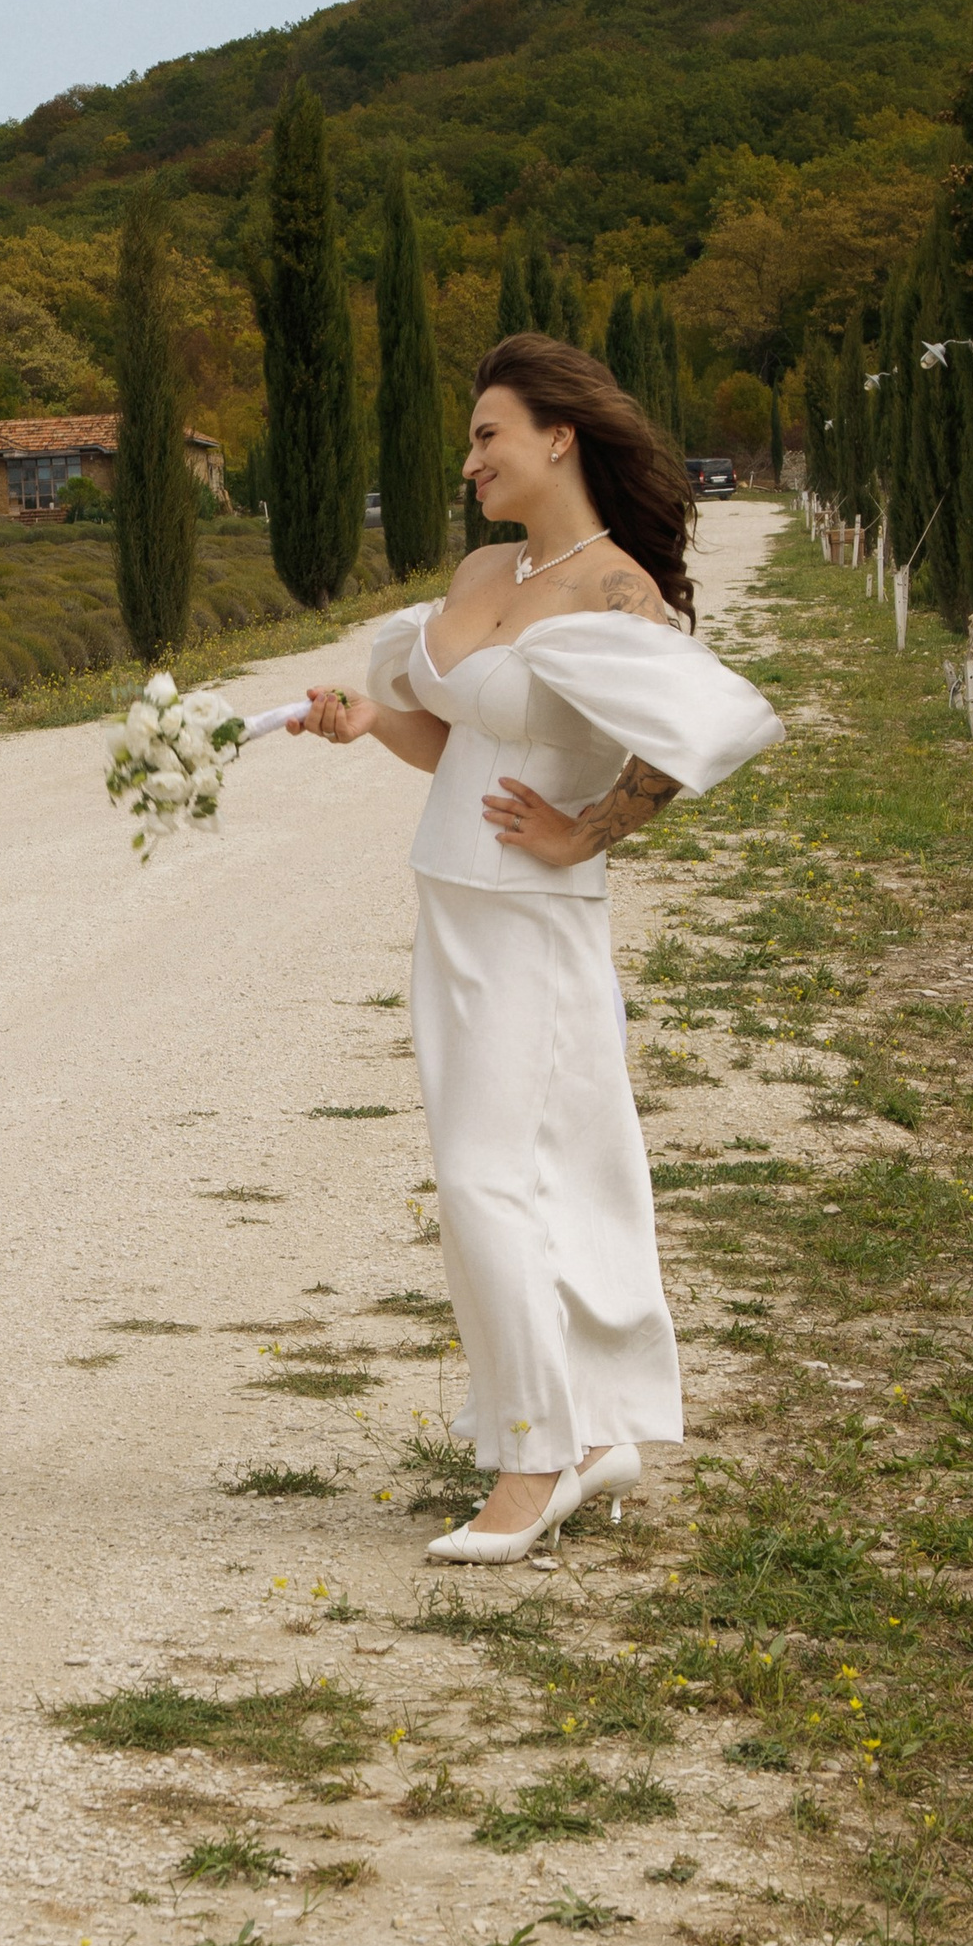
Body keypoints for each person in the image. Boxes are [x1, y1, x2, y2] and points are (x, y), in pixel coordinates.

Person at [296, 332, 780, 1563]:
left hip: (532, 923)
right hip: (449, 910)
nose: (469, 460)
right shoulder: (485, 566)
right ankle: (598, 1420)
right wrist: (368, 722)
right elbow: (452, 736)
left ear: (557, 435)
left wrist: (588, 831)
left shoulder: (617, 592)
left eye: (486, 434)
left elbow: (696, 728)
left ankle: (535, 1453)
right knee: (534, 1172)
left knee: (485, 1180)